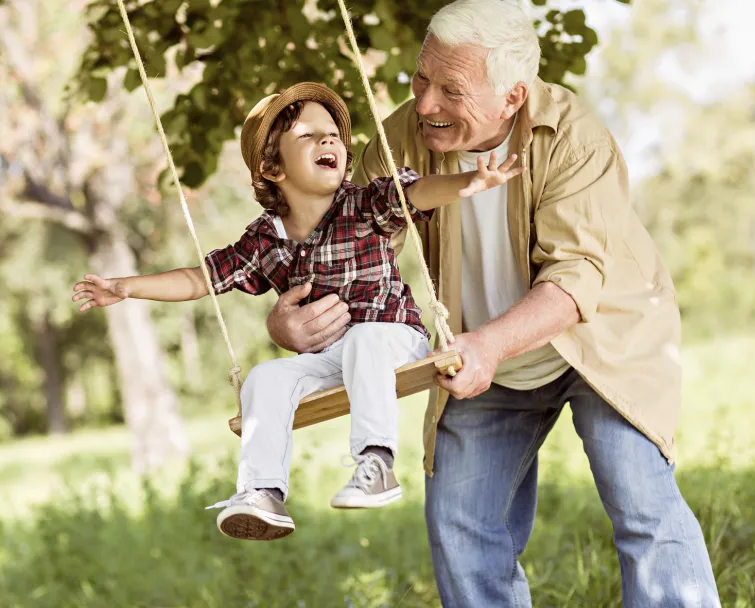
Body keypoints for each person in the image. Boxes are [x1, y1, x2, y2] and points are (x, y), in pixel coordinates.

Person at [263, 0, 722, 605]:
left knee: (642, 504)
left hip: (599, 340)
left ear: (511, 96)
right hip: (481, 355)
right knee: (460, 525)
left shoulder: (573, 137)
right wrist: (290, 319)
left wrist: (489, 345)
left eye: (451, 89)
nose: (425, 104)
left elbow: (575, 275)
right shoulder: (403, 137)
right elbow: (337, 244)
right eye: (420, 78)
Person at [71, 82, 522, 542]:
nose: (329, 141)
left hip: (392, 340)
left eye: (333, 135)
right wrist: (127, 287)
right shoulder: (264, 240)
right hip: (333, 357)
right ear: (272, 167)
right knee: (266, 378)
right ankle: (261, 492)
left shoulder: (365, 204)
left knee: (366, 340)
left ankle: (376, 463)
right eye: (308, 136)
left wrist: (470, 183)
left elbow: (421, 192)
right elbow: (200, 278)